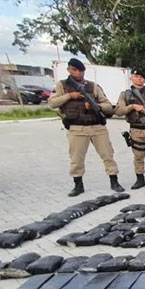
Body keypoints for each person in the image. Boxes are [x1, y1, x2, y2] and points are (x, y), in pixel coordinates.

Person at [49, 58, 124, 197]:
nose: (78, 73)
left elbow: (108, 106)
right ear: (69, 70)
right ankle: (78, 185)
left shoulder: (93, 86)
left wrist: (97, 106)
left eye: (80, 70)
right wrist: (69, 96)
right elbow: (52, 103)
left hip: (97, 127)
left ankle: (114, 181)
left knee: (108, 155)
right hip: (77, 128)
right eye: (74, 70)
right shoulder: (62, 85)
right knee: (76, 158)